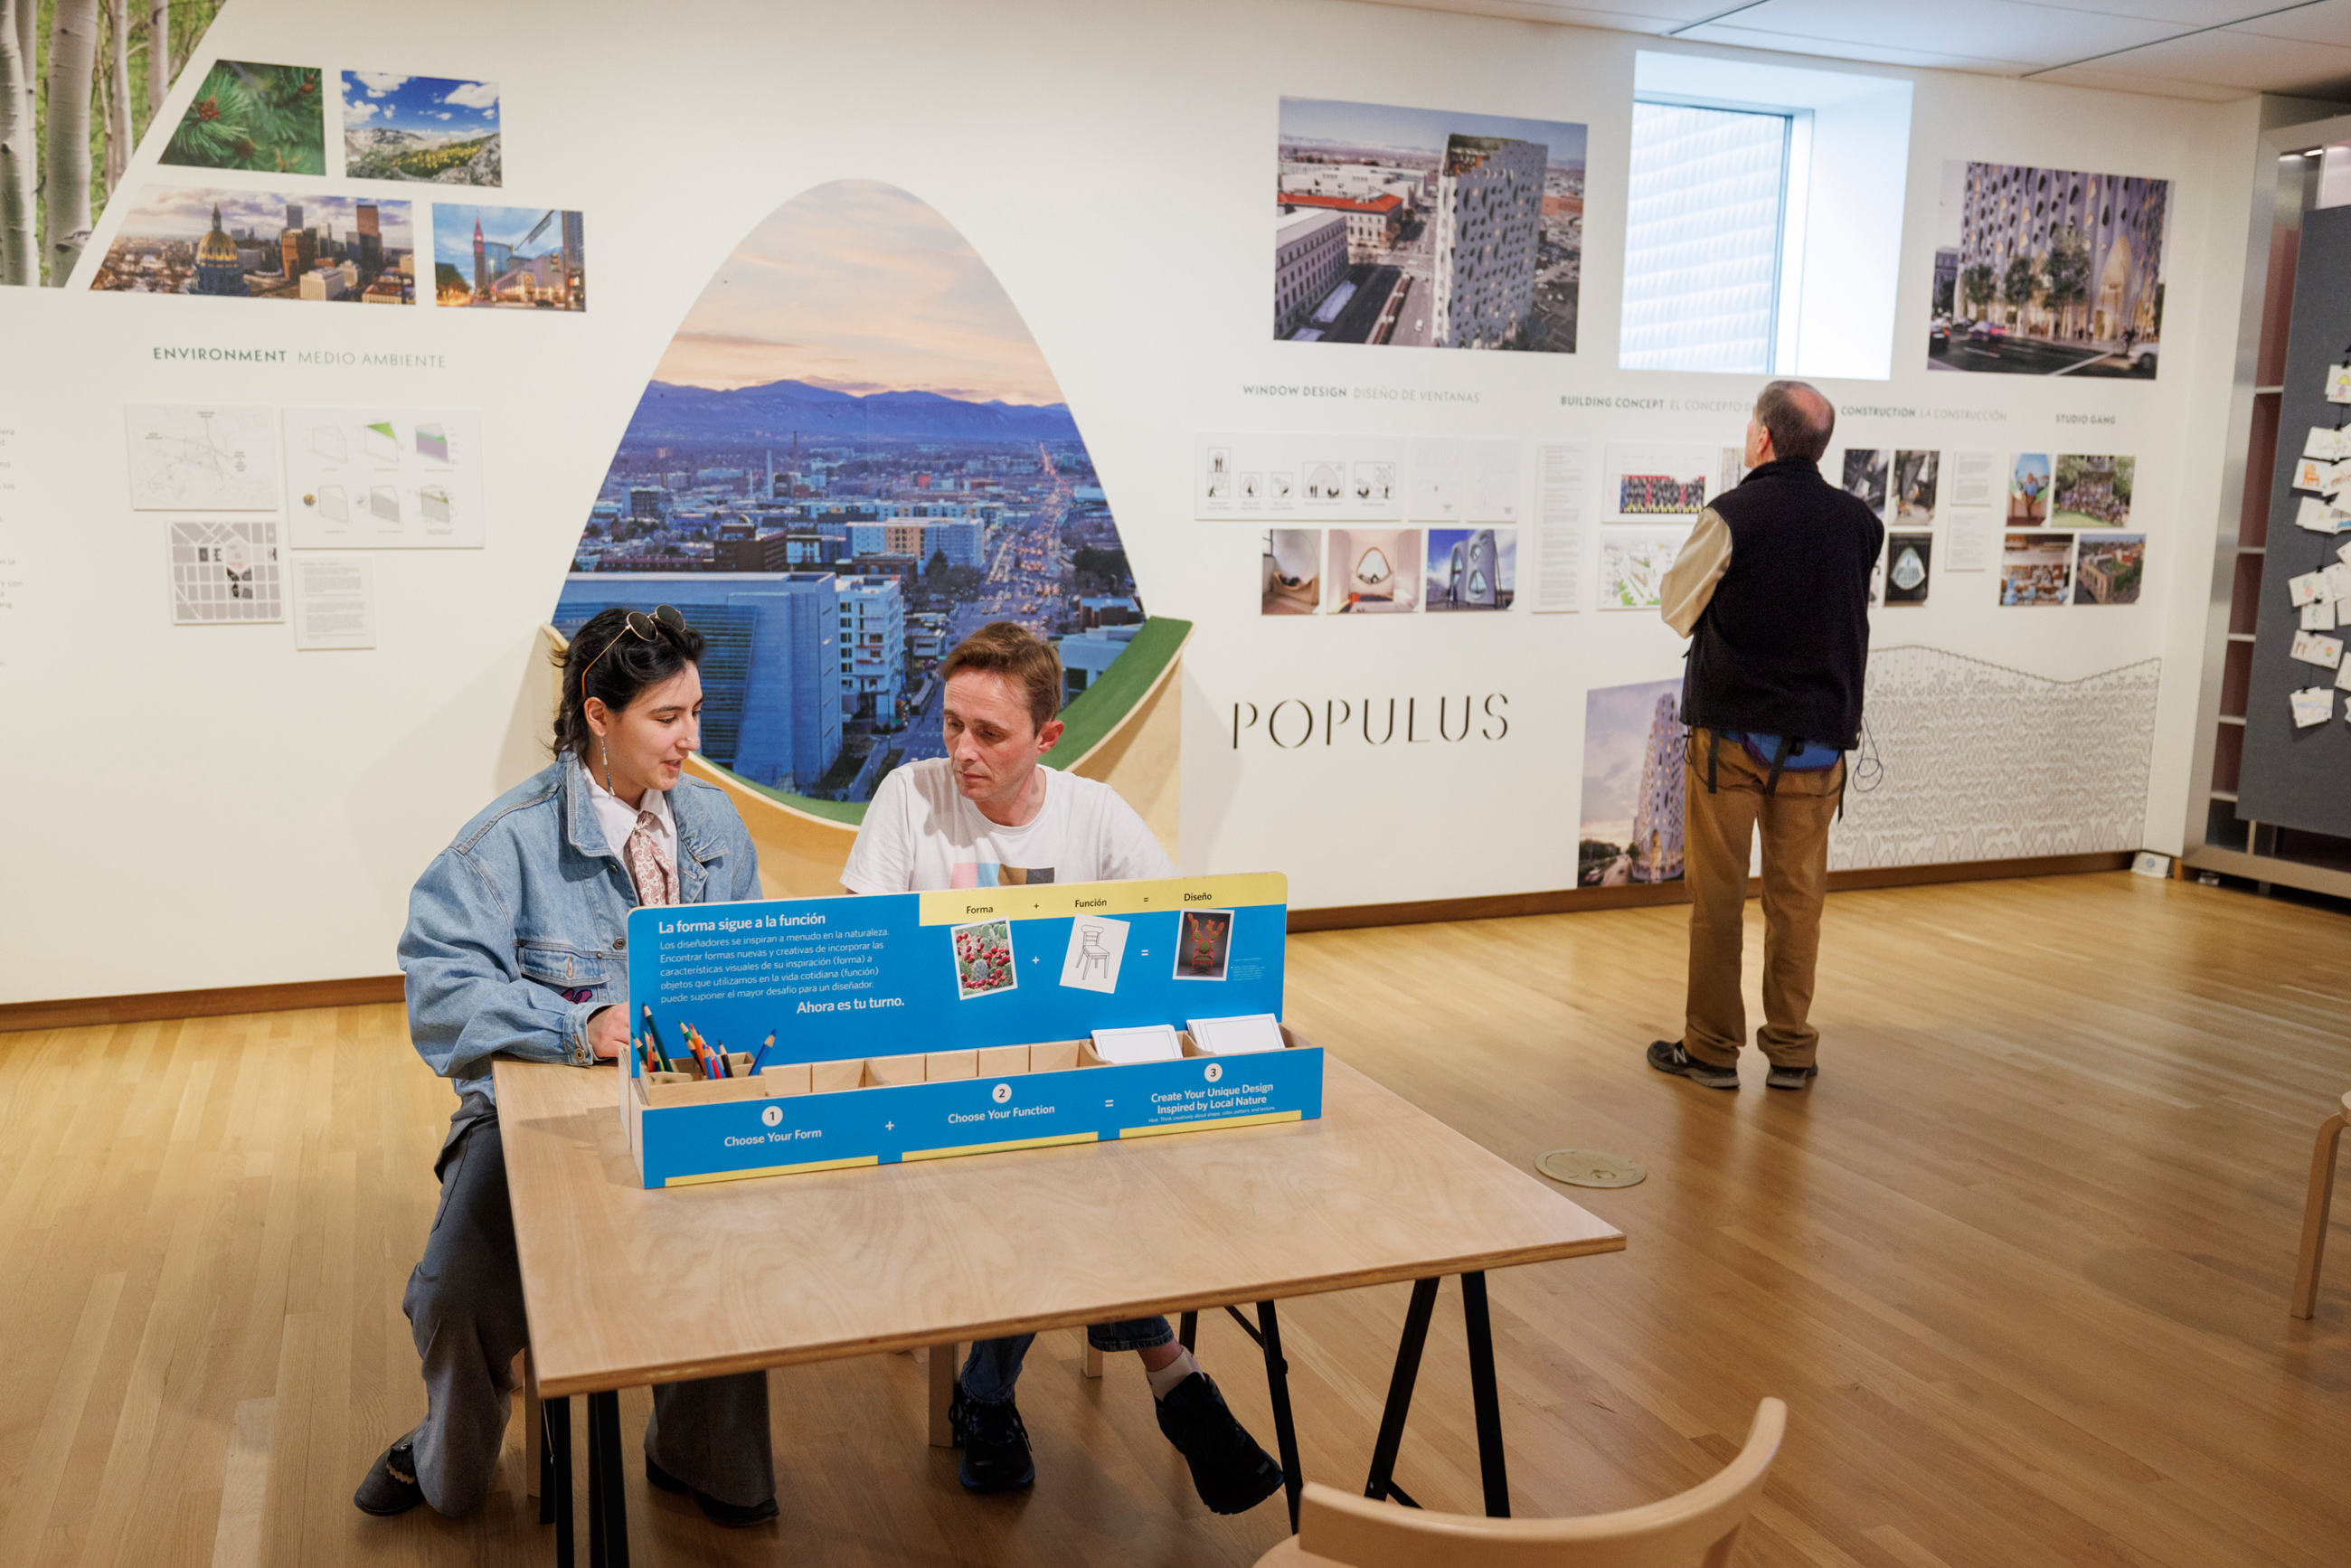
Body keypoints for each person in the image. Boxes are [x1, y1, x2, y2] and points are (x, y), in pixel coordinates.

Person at [841, 620, 1285, 1515]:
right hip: (936, 1080)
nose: (961, 750)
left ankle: (992, 1392)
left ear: (1047, 738)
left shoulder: (1093, 813)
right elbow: (865, 954)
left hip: (1059, 1089)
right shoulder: (907, 795)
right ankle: (1169, 1375)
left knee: (1065, 1164)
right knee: (1061, 1175)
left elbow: (1171, 941)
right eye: (952, 723)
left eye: (989, 733)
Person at [355, 606, 779, 1528]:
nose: (690, 741)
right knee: (454, 1294)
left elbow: (750, 958)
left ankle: (696, 1454)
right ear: (597, 716)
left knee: (735, 1256)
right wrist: (578, 1026)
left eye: (696, 713)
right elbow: (441, 993)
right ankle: (447, 1458)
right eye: (666, 719)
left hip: (685, 1098)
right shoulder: (500, 841)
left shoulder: (710, 820)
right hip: (532, 1118)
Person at [1648, 381, 1882, 1093]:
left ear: (1761, 438)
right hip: (1818, 744)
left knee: (1719, 900)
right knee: (1798, 901)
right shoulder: (1860, 523)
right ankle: (1791, 1049)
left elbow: (1676, 609)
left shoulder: (1732, 514)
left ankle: (1713, 1050)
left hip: (1731, 742)